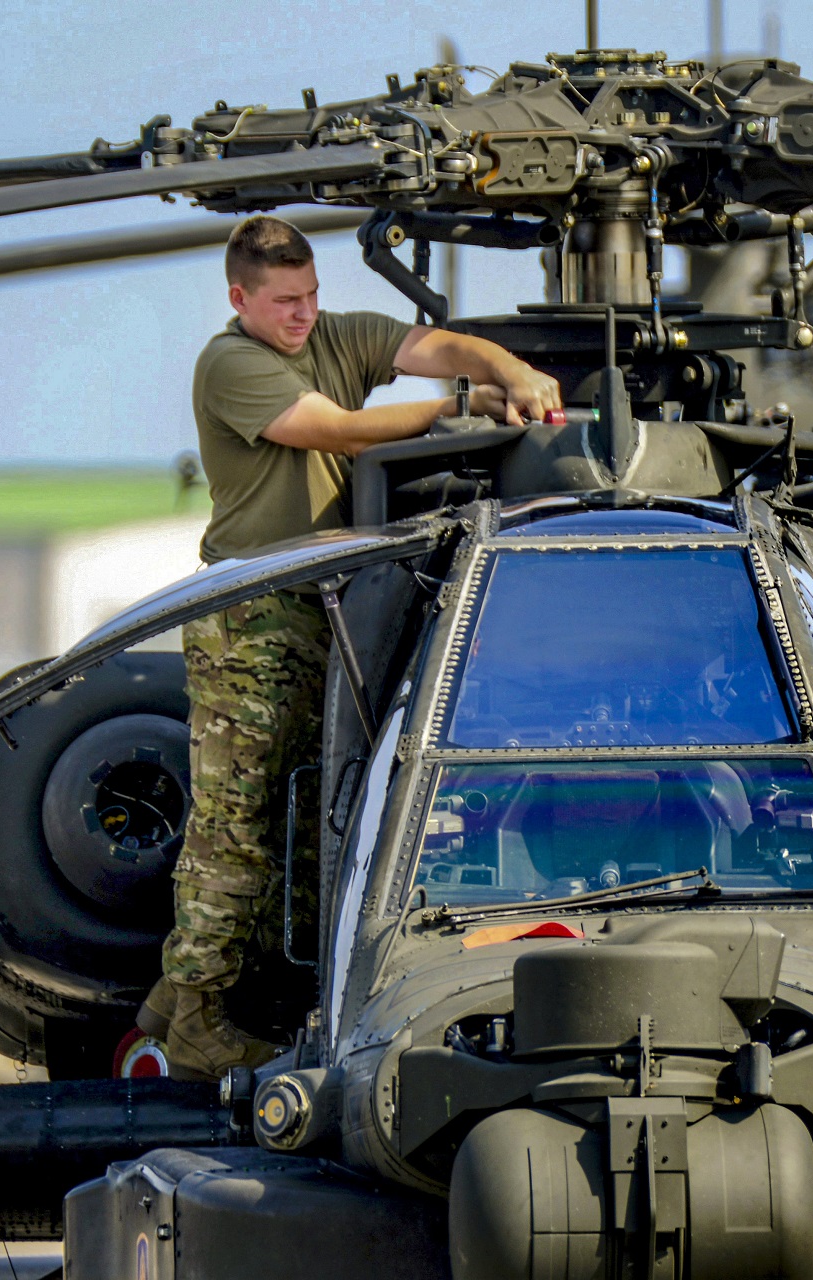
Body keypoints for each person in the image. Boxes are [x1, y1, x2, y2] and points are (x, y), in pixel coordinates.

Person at [138, 214, 561, 1079]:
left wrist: (507, 371)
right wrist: (458, 408)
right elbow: (330, 428)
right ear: (240, 299)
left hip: (320, 605)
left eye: (312, 296)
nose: (303, 315)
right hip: (249, 613)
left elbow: (436, 347)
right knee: (238, 825)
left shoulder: (333, 336)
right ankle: (195, 1028)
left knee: (301, 816)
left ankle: (183, 1002)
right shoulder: (231, 363)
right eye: (285, 301)